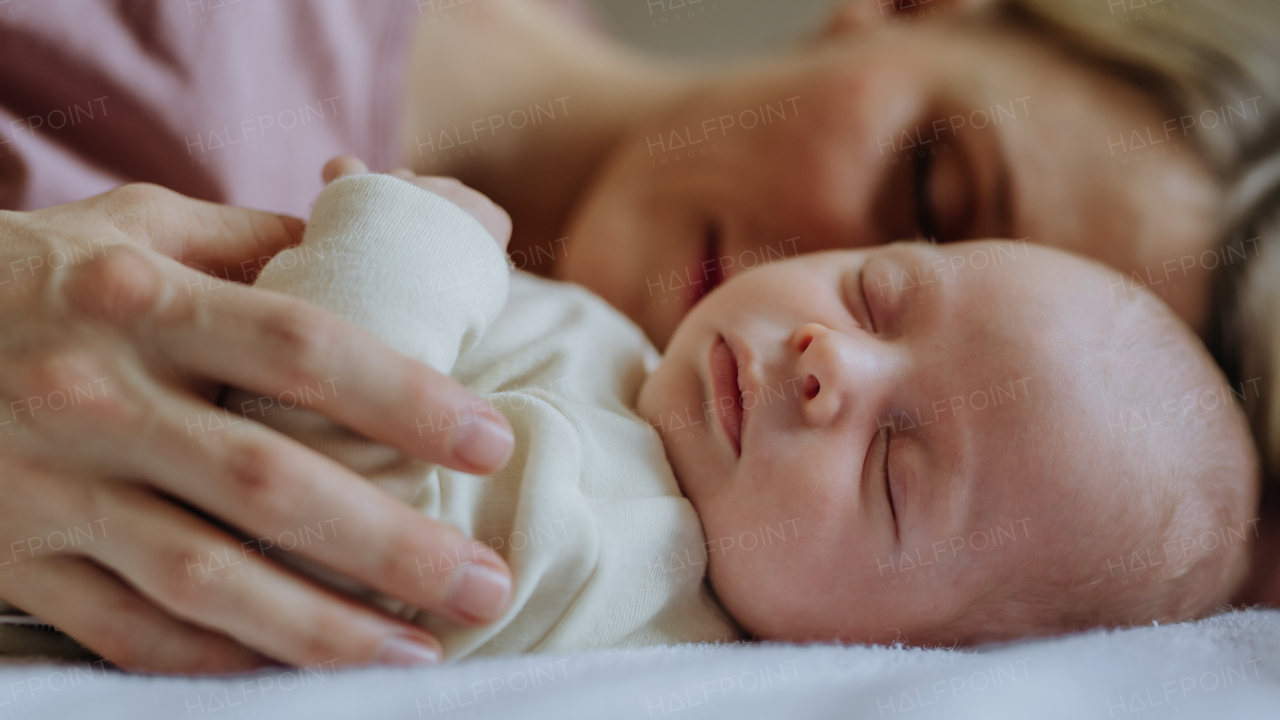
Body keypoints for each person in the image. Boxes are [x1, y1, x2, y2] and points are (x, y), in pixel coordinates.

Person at [0, 0, 1277, 672]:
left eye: (912, 466)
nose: (831, 359)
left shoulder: (607, 528)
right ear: (909, 3)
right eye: (925, 214)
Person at [223, 167, 1255, 658]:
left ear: (903, 656)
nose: (827, 359)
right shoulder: (632, 375)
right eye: (873, 297)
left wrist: (405, 253)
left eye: (893, 470)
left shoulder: (625, 558)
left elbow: (312, 529)